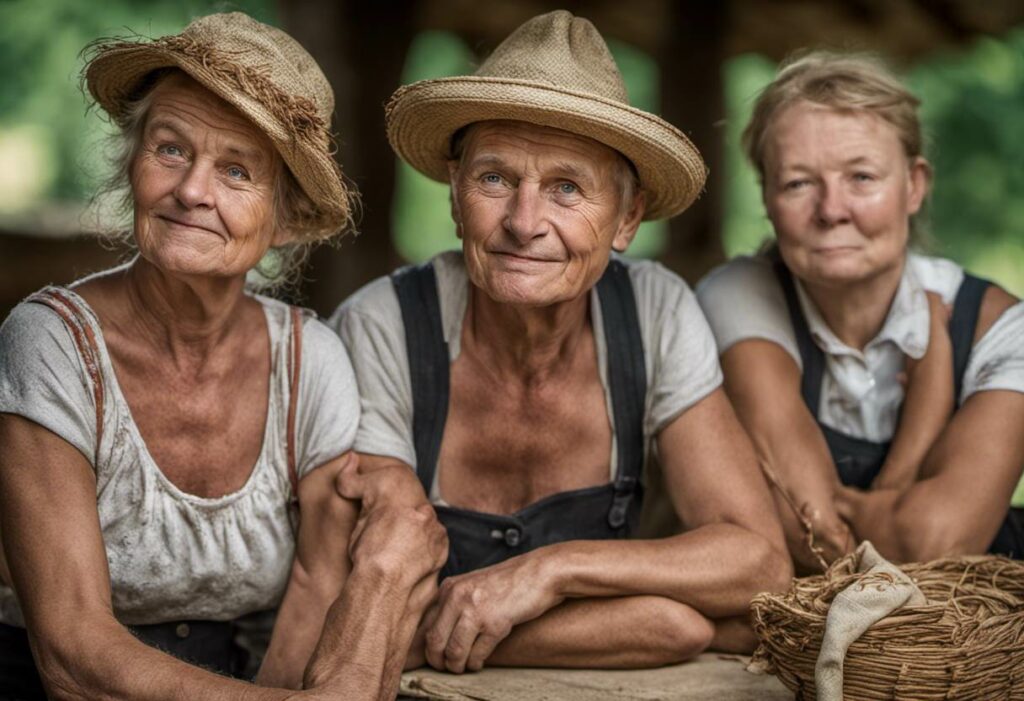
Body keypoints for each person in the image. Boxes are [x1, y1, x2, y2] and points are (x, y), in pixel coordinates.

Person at [330, 10, 792, 674]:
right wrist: (642, 619)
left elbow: (758, 562)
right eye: (495, 178)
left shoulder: (654, 312)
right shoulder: (385, 327)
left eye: (566, 188)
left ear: (627, 218)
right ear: (456, 194)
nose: (524, 222)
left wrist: (552, 570)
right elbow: (362, 599)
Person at [0, 13, 446, 700]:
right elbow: (71, 651)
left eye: (236, 170)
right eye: (170, 149)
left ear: (285, 218)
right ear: (132, 161)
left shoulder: (310, 360)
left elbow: (316, 584)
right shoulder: (53, 343)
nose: (191, 191)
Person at [696, 50, 1024, 572]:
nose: (831, 210)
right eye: (798, 182)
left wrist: (852, 503)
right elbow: (814, 535)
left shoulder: (1004, 332)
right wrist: (901, 491)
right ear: (766, 196)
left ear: (914, 186)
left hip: (973, 644)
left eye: (862, 178)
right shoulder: (737, 294)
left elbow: (935, 546)